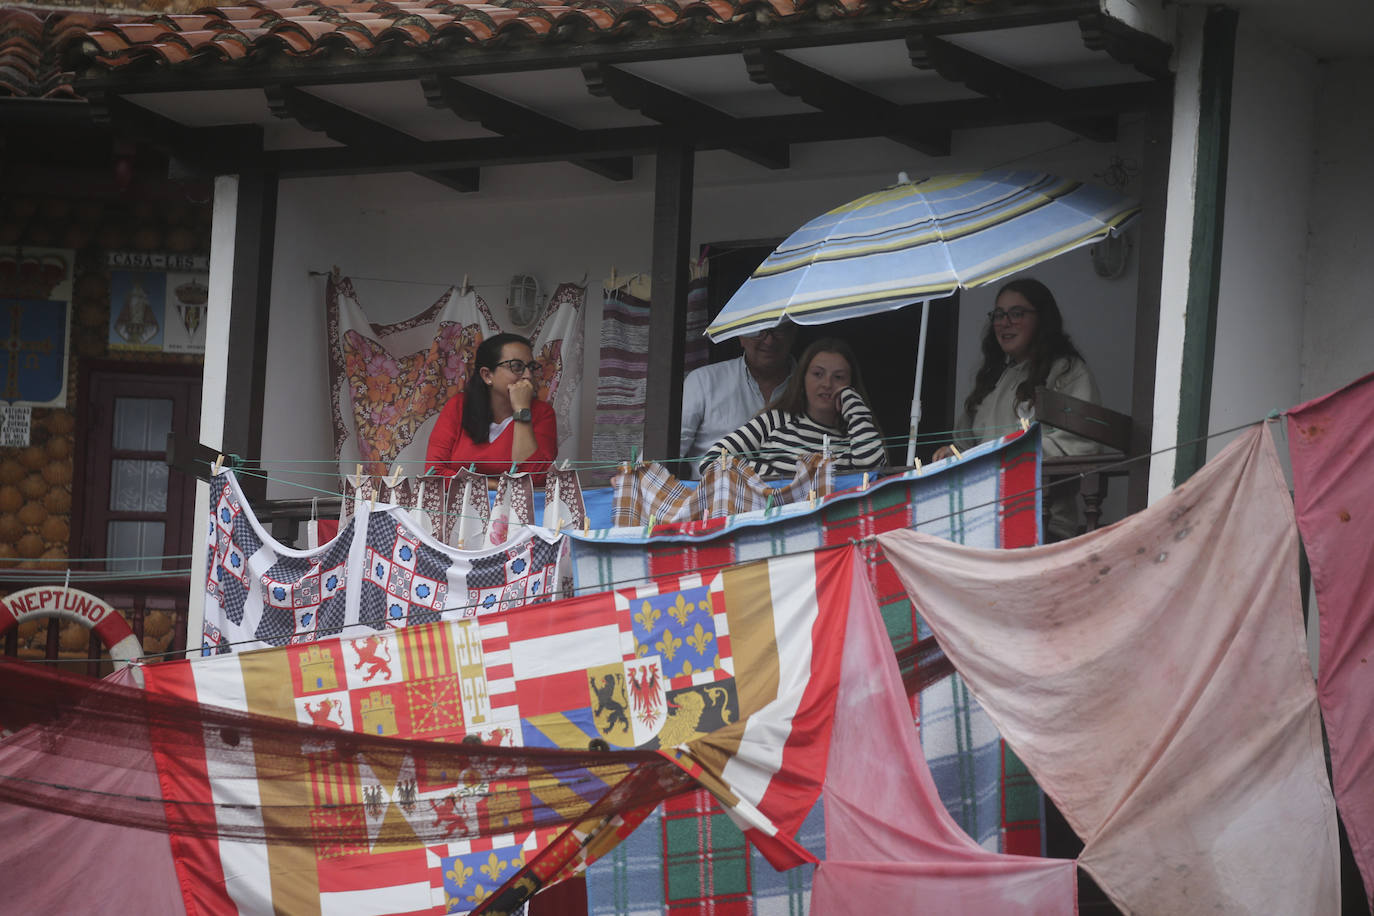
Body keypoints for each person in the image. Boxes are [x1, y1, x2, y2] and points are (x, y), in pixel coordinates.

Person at [934, 277, 1101, 540]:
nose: (1004, 322)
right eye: (999, 315)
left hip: (1043, 522)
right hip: (982, 522)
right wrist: (952, 455)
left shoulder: (1067, 371)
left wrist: (1006, 454)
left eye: (1016, 313)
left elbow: (1080, 446)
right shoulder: (993, 378)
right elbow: (965, 445)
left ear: (1041, 319)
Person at [701, 338, 887, 477]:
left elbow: (872, 473)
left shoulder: (856, 433)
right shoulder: (776, 420)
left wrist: (858, 414)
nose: (827, 384)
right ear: (802, 378)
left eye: (838, 377)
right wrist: (775, 478)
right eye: (818, 374)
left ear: (851, 384)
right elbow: (712, 461)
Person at [425, 332, 558, 482]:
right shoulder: (459, 406)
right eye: (517, 366)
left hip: (515, 505)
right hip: (460, 504)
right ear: (487, 375)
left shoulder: (542, 413)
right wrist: (494, 486)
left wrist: (522, 410)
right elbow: (434, 473)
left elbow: (534, 479)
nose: (528, 375)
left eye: (531, 367)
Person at [679, 322, 797, 474]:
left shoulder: (813, 388)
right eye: (757, 330)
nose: (769, 341)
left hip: (796, 495)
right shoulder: (704, 381)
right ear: (741, 336)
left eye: (779, 330)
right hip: (714, 494)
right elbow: (663, 454)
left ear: (792, 334)